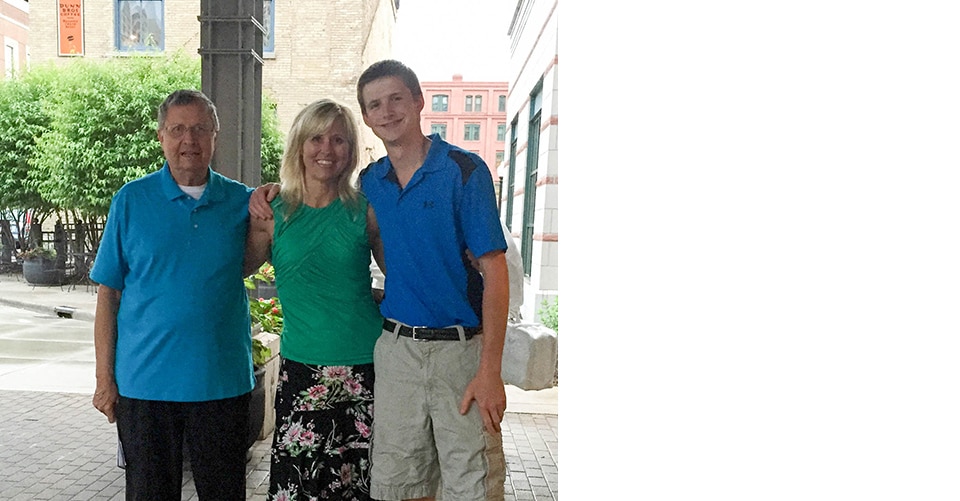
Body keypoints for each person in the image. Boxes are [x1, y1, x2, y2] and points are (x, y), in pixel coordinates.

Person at [251, 59, 511, 501]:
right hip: (393, 352)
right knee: (399, 484)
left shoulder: (458, 172)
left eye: (396, 99)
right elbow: (395, 269)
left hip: (453, 350)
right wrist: (256, 193)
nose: (387, 112)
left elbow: (487, 270)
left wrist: (490, 369)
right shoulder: (373, 184)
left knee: (471, 482)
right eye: (376, 105)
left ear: (418, 101)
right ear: (368, 118)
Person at [90, 89, 255, 500]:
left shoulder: (242, 202)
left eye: (200, 129)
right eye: (178, 129)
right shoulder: (131, 200)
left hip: (221, 383)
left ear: (215, 136)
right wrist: (103, 379)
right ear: (161, 136)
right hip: (144, 387)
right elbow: (108, 296)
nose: (189, 140)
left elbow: (266, 251)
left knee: (224, 493)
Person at [244, 98, 384, 500]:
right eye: (317, 138)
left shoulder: (365, 211)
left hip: (364, 368)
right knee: (297, 485)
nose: (327, 150)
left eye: (338, 140)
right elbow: (234, 269)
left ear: (351, 150)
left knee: (356, 485)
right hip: (301, 369)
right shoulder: (271, 211)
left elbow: (404, 273)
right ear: (299, 145)